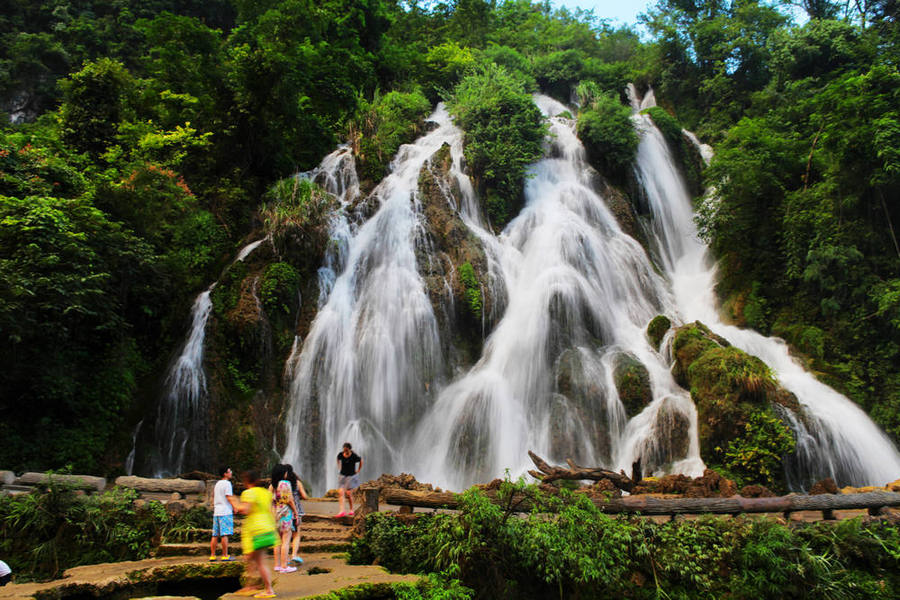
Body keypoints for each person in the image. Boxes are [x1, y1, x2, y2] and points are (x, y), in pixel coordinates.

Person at [228, 470, 277, 599]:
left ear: (246, 482)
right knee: (250, 558)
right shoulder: (266, 493)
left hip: (257, 530)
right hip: (267, 528)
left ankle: (268, 590)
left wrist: (234, 502)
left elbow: (245, 510)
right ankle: (249, 586)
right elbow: (271, 510)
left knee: (260, 561)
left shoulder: (249, 493)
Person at [268, 465, 298, 574]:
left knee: (277, 541)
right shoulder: (285, 484)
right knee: (286, 540)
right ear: (282, 473)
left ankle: (277, 565)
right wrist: (296, 512)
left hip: (275, 515)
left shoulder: (272, 485)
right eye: (285, 472)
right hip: (286, 515)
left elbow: (269, 500)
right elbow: (289, 500)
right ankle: (284, 566)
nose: (287, 474)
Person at [284, 464, 310, 565]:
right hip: (296, 511)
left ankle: (285, 558)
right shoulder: (297, 483)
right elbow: (305, 496)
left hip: (284, 511)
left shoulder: (281, 484)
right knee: (296, 534)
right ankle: (294, 555)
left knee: (285, 535)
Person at [210, 466, 235, 561]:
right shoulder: (227, 484)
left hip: (217, 512)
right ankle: (225, 555)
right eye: (229, 471)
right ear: (225, 473)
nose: (231, 472)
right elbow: (228, 497)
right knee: (225, 534)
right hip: (225, 511)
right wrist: (235, 507)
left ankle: (212, 555)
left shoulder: (217, 484)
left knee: (215, 535)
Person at [336, 442, 362, 517]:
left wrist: (358, 470)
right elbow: (338, 459)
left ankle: (351, 509)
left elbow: (361, 460)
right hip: (342, 475)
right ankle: (341, 511)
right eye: (344, 450)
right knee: (340, 492)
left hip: (351, 476)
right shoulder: (341, 454)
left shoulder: (354, 456)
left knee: (348, 494)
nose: (345, 452)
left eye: (346, 450)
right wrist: (339, 467)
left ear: (349, 450)